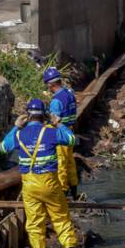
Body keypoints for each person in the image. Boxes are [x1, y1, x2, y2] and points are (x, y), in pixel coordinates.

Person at [0, 98, 78, 248]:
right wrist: (59, 124)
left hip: (30, 186)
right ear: (44, 116)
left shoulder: (20, 134)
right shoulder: (51, 132)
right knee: (61, 218)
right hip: (50, 184)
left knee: (34, 223)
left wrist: (15, 127)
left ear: (28, 115)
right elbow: (71, 139)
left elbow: (3, 148)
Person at [44, 66, 79, 198]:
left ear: (51, 84)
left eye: (47, 84)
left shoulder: (55, 101)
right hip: (69, 130)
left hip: (60, 133)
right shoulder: (69, 94)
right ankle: (74, 190)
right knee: (70, 162)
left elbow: (55, 120)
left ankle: (63, 194)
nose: (47, 87)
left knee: (61, 164)